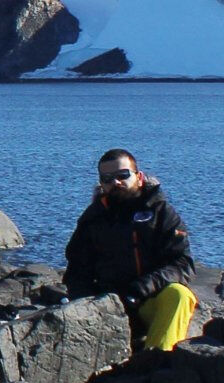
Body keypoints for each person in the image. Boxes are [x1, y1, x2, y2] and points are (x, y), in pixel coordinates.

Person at [63, 148, 197, 352]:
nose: (115, 182)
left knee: (180, 295)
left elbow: (182, 264)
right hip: (107, 306)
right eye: (107, 178)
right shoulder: (92, 219)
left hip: (149, 300)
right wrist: (91, 303)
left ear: (139, 177)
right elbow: (77, 271)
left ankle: (156, 361)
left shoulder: (161, 213)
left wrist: (141, 288)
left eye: (122, 175)